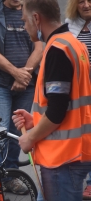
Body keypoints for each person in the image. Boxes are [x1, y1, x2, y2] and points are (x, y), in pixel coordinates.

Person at [12, 0, 91, 200]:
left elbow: (57, 110)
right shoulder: (74, 44)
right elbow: (69, 102)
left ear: (36, 19)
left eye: (25, 21)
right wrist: (35, 121)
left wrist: (30, 137)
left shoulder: (57, 50)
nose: (25, 26)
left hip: (63, 158)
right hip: (74, 152)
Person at [0, 0, 43, 194]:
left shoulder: (33, 11)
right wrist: (16, 73)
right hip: (1, 82)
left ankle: (11, 177)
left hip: (27, 83)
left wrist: (24, 75)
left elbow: (39, 48)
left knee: (17, 131)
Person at [65, 0, 91, 199]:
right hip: (77, 91)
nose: (86, 5)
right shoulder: (69, 25)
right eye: (81, 1)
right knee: (80, 135)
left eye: (89, 0)